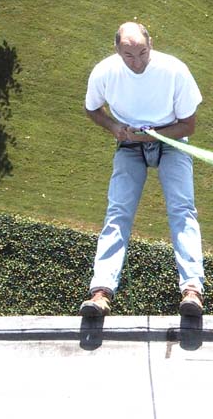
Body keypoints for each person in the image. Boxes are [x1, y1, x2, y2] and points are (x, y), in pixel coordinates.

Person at [79, 22, 205, 317]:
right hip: (129, 145)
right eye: (128, 55)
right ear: (117, 50)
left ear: (151, 45)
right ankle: (100, 292)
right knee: (118, 212)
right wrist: (114, 128)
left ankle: (192, 290)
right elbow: (91, 108)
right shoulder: (105, 72)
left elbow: (189, 125)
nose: (136, 62)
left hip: (171, 141)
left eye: (142, 53)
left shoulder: (174, 70)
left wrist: (151, 135)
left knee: (182, 210)